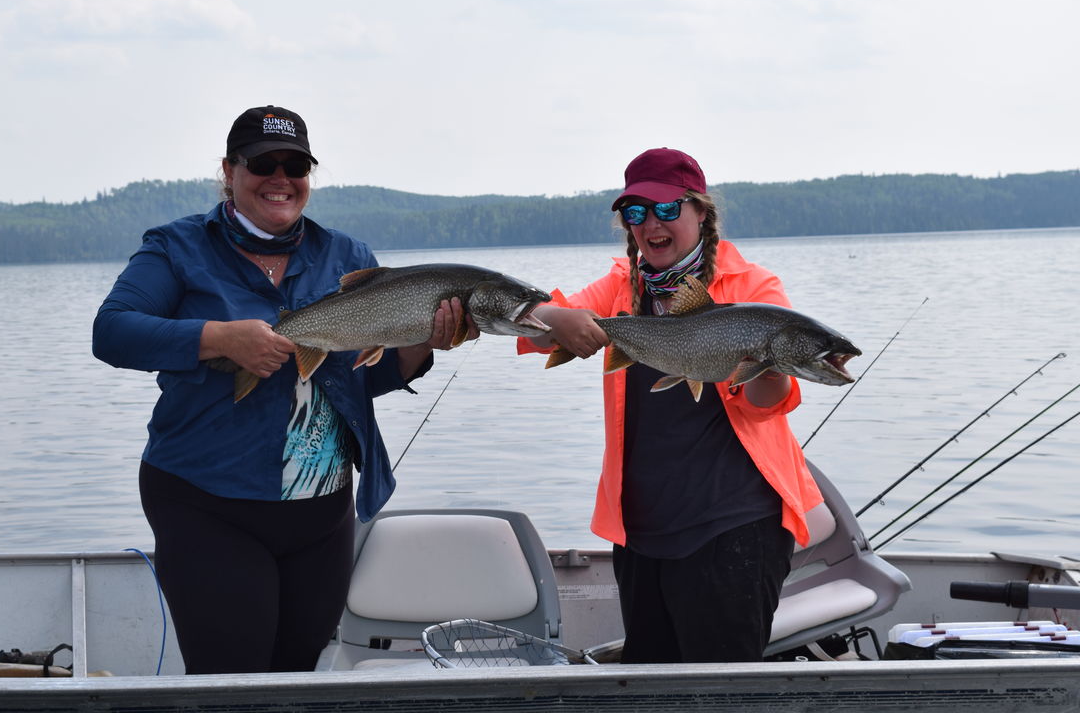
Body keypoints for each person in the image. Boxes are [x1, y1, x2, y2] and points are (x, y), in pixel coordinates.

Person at [92, 105, 473, 674]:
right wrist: (218, 337)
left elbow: (367, 379)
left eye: (295, 164)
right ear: (228, 170)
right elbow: (113, 331)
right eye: (261, 163)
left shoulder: (346, 257)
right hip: (207, 502)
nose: (280, 177)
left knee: (298, 676)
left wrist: (424, 343)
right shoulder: (177, 248)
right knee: (230, 680)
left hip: (321, 515)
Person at [519, 147, 823, 663]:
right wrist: (557, 319)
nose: (650, 225)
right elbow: (537, 327)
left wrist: (766, 365)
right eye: (635, 213)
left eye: (666, 209)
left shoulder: (753, 288)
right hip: (640, 531)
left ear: (701, 212)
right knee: (649, 684)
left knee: (719, 693)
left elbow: (767, 403)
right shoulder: (620, 286)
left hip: (736, 527)